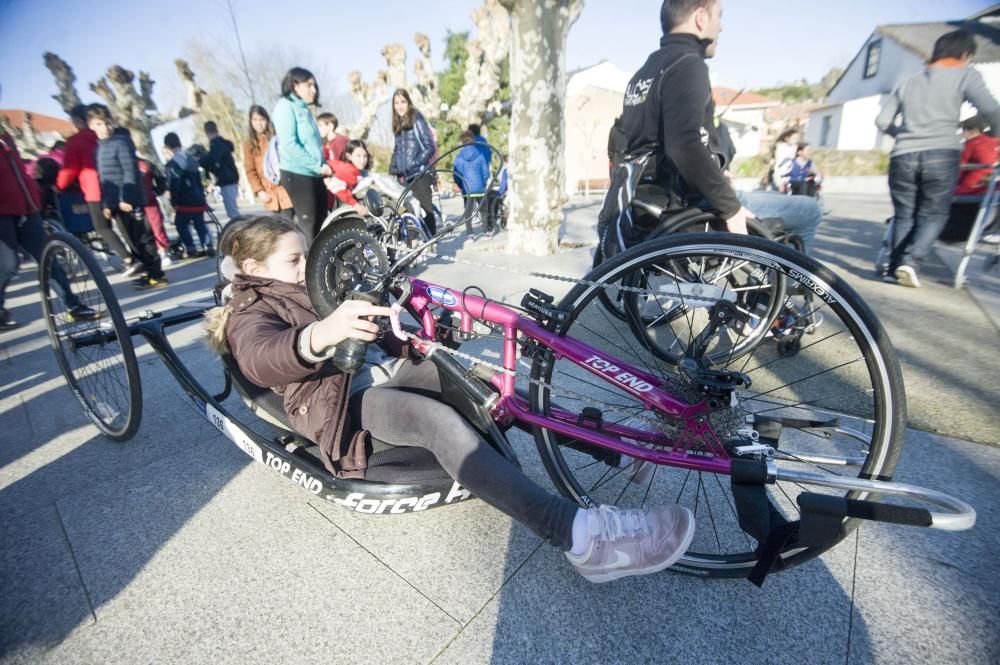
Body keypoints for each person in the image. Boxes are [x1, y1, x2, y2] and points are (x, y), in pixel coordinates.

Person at [206, 215, 695, 583]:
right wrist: (320, 334)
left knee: (494, 386)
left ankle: (613, 447)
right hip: (338, 401)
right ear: (252, 268)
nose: (305, 265)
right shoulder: (252, 309)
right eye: (293, 260)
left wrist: (410, 322)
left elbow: (385, 330)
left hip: (383, 369)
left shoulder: (313, 281)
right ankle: (582, 540)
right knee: (437, 423)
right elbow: (261, 359)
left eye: (305, 255)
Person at [611, 0, 822, 256]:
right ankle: (787, 287)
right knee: (809, 211)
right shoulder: (688, 64)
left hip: (646, 200)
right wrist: (730, 206)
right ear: (701, 18)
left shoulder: (644, 72)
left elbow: (642, 142)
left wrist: (714, 171)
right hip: (682, 204)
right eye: (718, 16)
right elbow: (683, 145)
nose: (721, 27)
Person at [876, 29, 1000, 287]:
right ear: (965, 54)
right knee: (933, 214)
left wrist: (904, 133)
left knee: (904, 214)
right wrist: (996, 136)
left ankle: (894, 266)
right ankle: (911, 261)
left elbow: (882, 120)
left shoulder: (910, 81)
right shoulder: (965, 74)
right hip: (941, 152)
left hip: (903, 154)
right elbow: (990, 109)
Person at [1, 129, 97, 329]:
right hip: (2, 212)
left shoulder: (6, 137)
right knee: (8, 265)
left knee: (48, 256)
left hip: (27, 207)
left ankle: (73, 304)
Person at [88, 104, 166, 290]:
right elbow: (104, 179)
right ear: (91, 125)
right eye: (99, 124)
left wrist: (127, 198)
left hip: (129, 201)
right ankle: (148, 273)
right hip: (114, 202)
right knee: (132, 240)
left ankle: (157, 275)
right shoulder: (98, 148)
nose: (105, 127)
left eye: (108, 123)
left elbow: (130, 172)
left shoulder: (121, 142)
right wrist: (106, 204)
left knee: (144, 239)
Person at [56, 104, 134, 265]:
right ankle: (140, 257)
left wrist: (59, 186)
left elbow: (69, 170)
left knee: (102, 227)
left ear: (78, 120)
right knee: (125, 227)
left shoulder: (76, 141)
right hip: (117, 186)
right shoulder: (108, 136)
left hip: (95, 189)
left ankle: (127, 257)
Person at [272, 67, 332, 241]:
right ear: (295, 85)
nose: (313, 90)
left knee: (322, 222)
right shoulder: (285, 106)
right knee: (309, 225)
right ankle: (307, 266)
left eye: (314, 85)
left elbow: (313, 145)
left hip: (314, 173)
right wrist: (317, 166)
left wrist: (323, 165)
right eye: (309, 85)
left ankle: (324, 265)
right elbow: (290, 144)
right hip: (297, 174)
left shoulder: (305, 109)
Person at [389, 89, 437, 235]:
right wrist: (394, 166)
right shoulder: (398, 123)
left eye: (403, 102)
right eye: (396, 103)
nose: (400, 106)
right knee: (409, 212)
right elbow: (397, 149)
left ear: (408, 103)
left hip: (420, 173)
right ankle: (414, 247)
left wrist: (415, 163)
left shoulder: (416, 117)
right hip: (404, 176)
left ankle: (431, 242)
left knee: (425, 208)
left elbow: (430, 146)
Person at [163, 132, 214, 258]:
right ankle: (208, 245)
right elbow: (201, 178)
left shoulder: (173, 164)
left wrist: (174, 202)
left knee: (181, 224)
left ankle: (191, 248)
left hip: (183, 201)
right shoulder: (191, 158)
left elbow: (174, 184)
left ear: (168, 147)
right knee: (200, 223)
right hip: (198, 198)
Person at [243, 105, 294, 219]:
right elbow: (250, 170)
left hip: (285, 188)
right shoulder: (249, 144)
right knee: (277, 227)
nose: (259, 123)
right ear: (250, 122)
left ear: (267, 120)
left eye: (262, 120)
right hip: (268, 192)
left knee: (290, 223)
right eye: (255, 120)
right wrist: (259, 190)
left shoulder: (277, 138)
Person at [199, 121, 241, 220]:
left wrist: (201, 160)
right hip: (231, 178)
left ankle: (241, 232)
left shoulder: (217, 145)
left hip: (227, 180)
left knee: (233, 212)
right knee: (233, 210)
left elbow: (212, 160)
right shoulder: (223, 144)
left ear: (206, 133)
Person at [453, 130, 491, 239]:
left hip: (467, 189)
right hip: (480, 188)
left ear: (462, 142)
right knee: (483, 210)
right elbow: (485, 172)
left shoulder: (459, 157)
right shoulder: (480, 155)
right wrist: (483, 183)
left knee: (468, 212)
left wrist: (461, 185)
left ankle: (470, 235)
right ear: (473, 140)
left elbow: (456, 175)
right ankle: (486, 232)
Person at [137, 157, 171, 263]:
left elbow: (160, 178)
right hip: (134, 204)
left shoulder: (145, 163)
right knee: (141, 232)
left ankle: (163, 252)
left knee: (157, 227)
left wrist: (156, 192)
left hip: (150, 202)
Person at [325, 139, 371, 216]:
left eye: (365, 156)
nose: (362, 160)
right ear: (349, 156)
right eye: (358, 156)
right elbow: (337, 188)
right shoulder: (345, 170)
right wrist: (356, 205)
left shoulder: (357, 171)